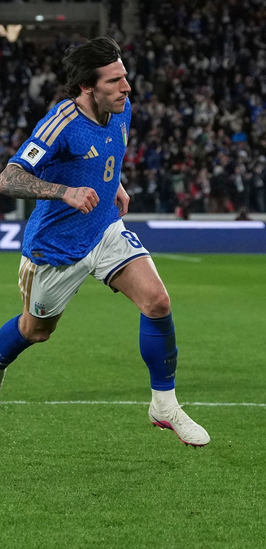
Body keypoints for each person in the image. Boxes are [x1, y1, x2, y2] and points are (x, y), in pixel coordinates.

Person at [0, 37, 209, 447]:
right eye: (115, 81)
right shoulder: (61, 122)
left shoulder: (121, 109)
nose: (127, 88)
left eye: (125, 77)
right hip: (56, 246)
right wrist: (65, 192)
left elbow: (100, 156)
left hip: (105, 228)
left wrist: (115, 183)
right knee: (36, 330)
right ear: (87, 86)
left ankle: (164, 405)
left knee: (158, 301)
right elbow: (8, 178)